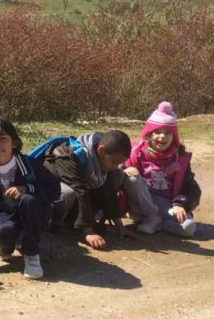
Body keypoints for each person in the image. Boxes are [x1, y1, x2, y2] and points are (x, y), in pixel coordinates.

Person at [0, 117, 60, 280]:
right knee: (3, 231)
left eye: (2, 139)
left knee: (28, 199)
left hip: (34, 212)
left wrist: (27, 188)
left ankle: (31, 254)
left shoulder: (30, 164)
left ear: (14, 142)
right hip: (6, 214)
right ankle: (6, 243)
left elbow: (54, 189)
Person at [32, 130, 131, 250]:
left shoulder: (103, 158)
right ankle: (53, 222)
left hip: (78, 193)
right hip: (50, 194)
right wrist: (88, 232)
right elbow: (80, 190)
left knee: (118, 174)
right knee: (68, 193)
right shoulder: (69, 154)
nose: (115, 166)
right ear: (101, 150)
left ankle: (73, 221)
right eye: (114, 162)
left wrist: (119, 225)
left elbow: (109, 191)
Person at [123, 102, 201, 237]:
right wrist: (124, 169)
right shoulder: (134, 152)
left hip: (166, 203)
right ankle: (151, 216)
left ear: (174, 136)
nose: (162, 136)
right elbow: (114, 169)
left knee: (189, 228)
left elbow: (192, 188)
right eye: (157, 132)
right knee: (132, 178)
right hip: (141, 200)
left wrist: (180, 204)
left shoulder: (180, 158)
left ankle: (155, 221)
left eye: (167, 133)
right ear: (149, 134)